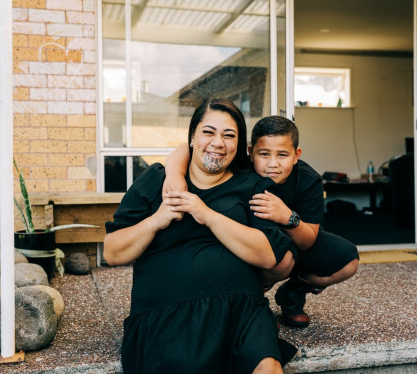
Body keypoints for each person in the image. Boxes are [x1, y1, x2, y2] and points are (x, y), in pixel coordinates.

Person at [104, 99, 297, 373]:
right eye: (208, 132)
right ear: (192, 138)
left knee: (268, 367)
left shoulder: (252, 185)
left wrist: (206, 214)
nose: (218, 142)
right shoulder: (157, 181)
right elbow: (112, 252)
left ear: (240, 146)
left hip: (240, 311)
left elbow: (267, 255)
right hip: (166, 313)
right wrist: (156, 220)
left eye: (229, 135)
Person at [164, 115, 359, 328]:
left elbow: (308, 241)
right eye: (264, 154)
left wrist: (287, 217)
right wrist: (174, 175)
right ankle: (252, 300)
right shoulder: (243, 166)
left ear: (296, 155)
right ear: (250, 152)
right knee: (279, 258)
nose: (272, 164)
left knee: (348, 262)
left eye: (283, 155)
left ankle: (292, 294)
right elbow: (186, 148)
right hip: (249, 241)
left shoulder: (308, 179)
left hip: (294, 234)